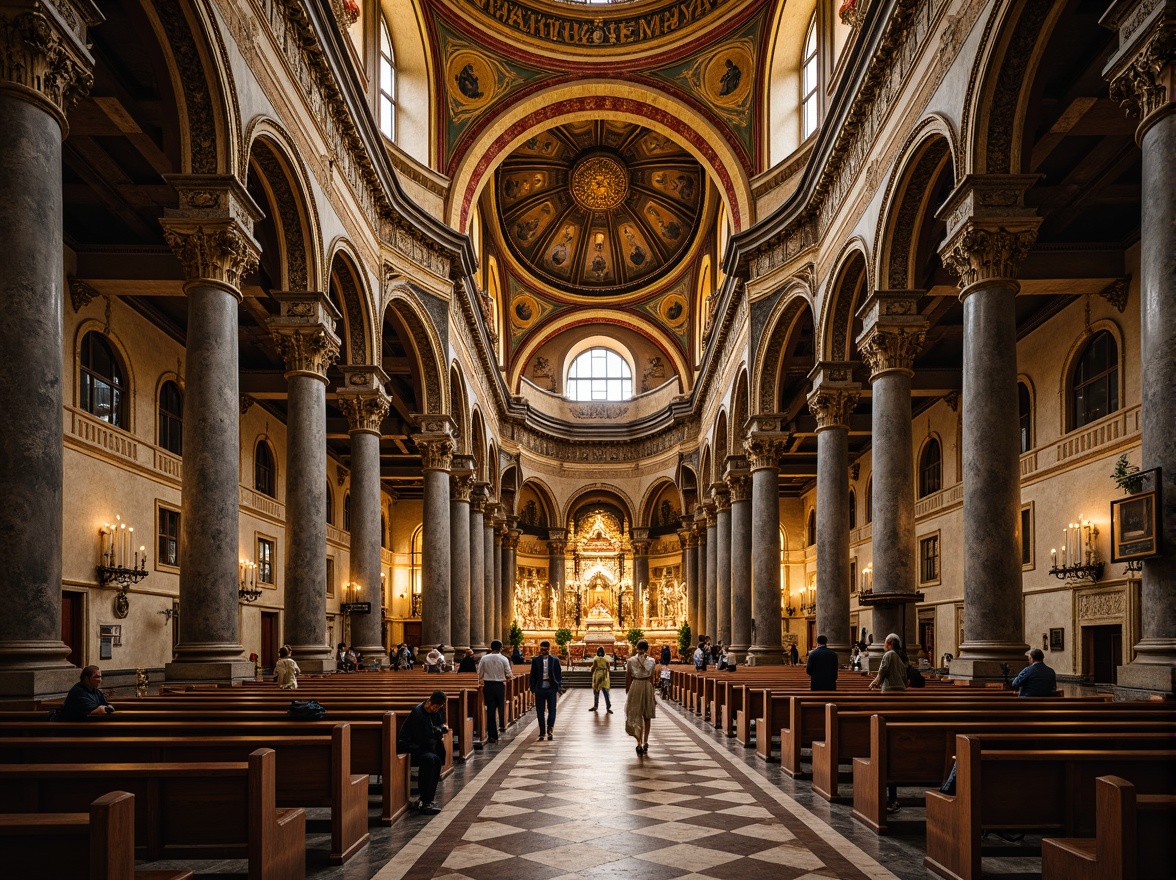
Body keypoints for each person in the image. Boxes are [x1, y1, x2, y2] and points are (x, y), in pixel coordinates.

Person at [396, 689, 448, 815]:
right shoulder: (418, 713)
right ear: (431, 703)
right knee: (430, 760)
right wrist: (438, 733)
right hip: (411, 747)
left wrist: (439, 730)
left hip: (424, 746)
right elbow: (422, 738)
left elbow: (440, 724)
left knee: (436, 759)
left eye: (439, 707)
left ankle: (428, 799)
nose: (437, 710)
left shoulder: (436, 709)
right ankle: (424, 801)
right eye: (436, 707)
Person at [625, 639, 658, 755]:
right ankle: (645, 741)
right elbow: (652, 678)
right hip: (647, 686)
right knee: (647, 716)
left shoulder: (631, 660)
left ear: (636, 648)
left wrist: (627, 690)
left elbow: (628, 675)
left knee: (635, 714)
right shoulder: (652, 661)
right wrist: (653, 695)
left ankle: (638, 743)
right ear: (647, 648)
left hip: (636, 685)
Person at [478, 639, 513, 743]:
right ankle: (501, 726)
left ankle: (492, 735)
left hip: (488, 685)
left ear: (490, 648)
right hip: (499, 685)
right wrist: (508, 677)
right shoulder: (504, 659)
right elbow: (509, 673)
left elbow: (479, 673)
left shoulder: (484, 658)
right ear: (501, 648)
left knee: (490, 710)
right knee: (500, 708)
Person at [529, 640, 562, 740]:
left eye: (546, 649)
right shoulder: (536, 660)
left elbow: (558, 674)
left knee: (552, 710)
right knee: (540, 711)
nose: (544, 651)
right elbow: (532, 675)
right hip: (540, 688)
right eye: (542, 649)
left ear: (549, 649)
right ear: (540, 649)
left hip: (551, 688)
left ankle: (550, 729)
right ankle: (542, 732)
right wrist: (533, 689)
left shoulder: (555, 660)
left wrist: (557, 686)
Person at [589, 646, 613, 713]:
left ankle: (595, 706)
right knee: (606, 692)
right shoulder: (607, 658)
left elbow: (593, 667)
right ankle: (608, 706)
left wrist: (591, 670)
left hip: (597, 675)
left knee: (596, 691)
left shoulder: (596, 659)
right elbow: (608, 667)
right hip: (604, 675)